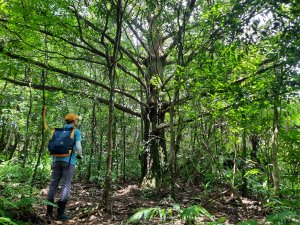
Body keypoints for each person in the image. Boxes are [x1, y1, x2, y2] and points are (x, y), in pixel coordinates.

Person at [46, 113, 83, 221]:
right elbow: (78, 147)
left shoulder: (59, 131)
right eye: (76, 120)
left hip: (56, 161)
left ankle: (49, 213)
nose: (77, 121)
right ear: (74, 121)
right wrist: (80, 155)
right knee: (66, 185)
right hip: (68, 162)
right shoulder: (75, 131)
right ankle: (60, 214)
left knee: (53, 184)